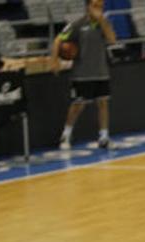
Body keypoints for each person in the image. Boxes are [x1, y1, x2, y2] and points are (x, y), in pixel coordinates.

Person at [52, 0, 116, 151]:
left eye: (100, 6)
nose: (98, 9)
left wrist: (102, 21)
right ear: (88, 7)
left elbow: (112, 40)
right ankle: (66, 135)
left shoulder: (104, 23)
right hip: (81, 73)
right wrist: (54, 60)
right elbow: (58, 40)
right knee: (77, 105)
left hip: (101, 71)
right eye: (95, 5)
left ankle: (104, 137)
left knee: (103, 104)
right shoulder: (78, 24)